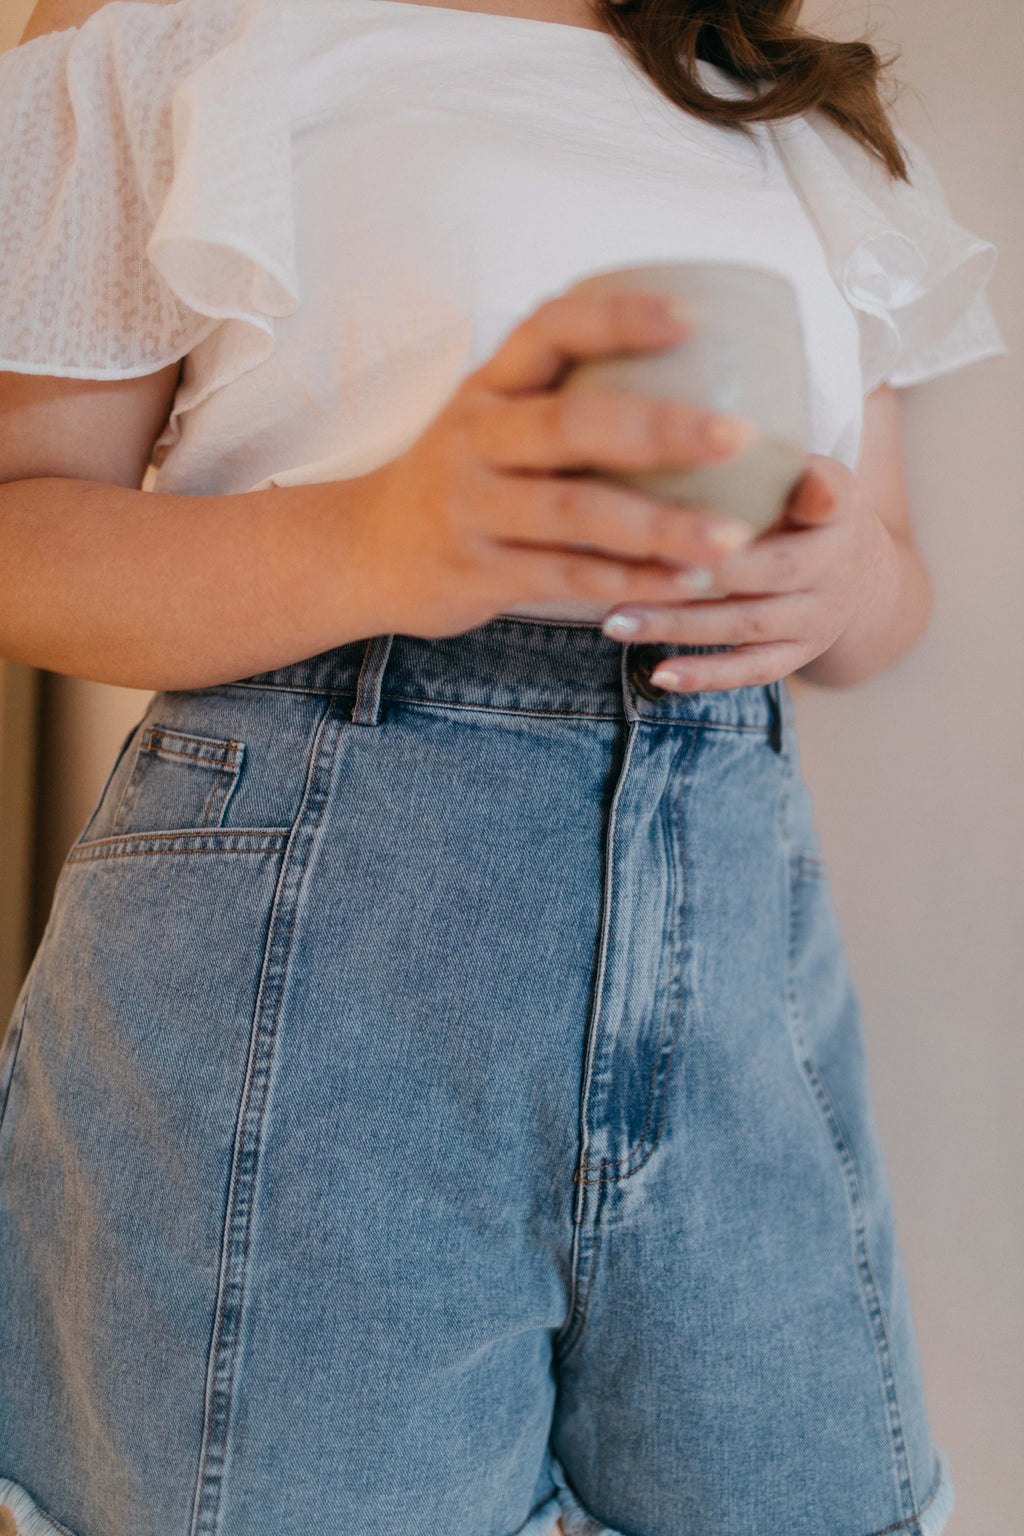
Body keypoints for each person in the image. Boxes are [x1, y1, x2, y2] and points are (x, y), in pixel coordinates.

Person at [0, 0, 1006, 1530]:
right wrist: (377, 540)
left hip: (729, 932)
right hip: (317, 916)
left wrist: (846, 583)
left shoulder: (781, 101)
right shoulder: (178, 34)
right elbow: (23, 533)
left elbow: (886, 597)